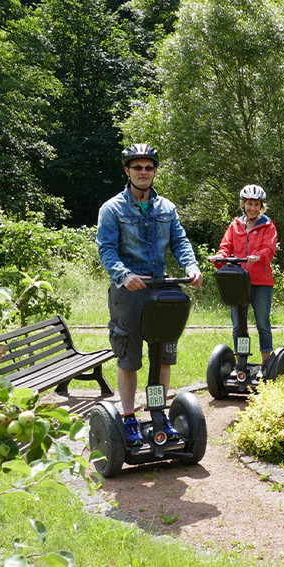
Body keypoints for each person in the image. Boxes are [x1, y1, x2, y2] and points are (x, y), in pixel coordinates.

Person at [97, 143, 203, 447]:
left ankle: (158, 413)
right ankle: (129, 417)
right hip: (129, 293)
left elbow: (180, 242)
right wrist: (124, 275)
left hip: (162, 290)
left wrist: (191, 266)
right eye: (137, 168)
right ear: (127, 171)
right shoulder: (112, 208)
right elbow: (106, 249)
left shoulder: (166, 208)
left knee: (163, 357)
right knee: (129, 358)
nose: (143, 172)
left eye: (148, 167)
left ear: (155, 171)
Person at [210, 184, 277, 362]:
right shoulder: (235, 226)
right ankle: (242, 362)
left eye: (256, 204)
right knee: (238, 325)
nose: (252, 208)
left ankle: (266, 362)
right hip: (238, 281)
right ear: (243, 204)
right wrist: (219, 258)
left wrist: (259, 256)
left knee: (262, 322)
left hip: (260, 281)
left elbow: (269, 248)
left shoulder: (268, 225)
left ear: (261, 206)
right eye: (249, 204)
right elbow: (226, 247)